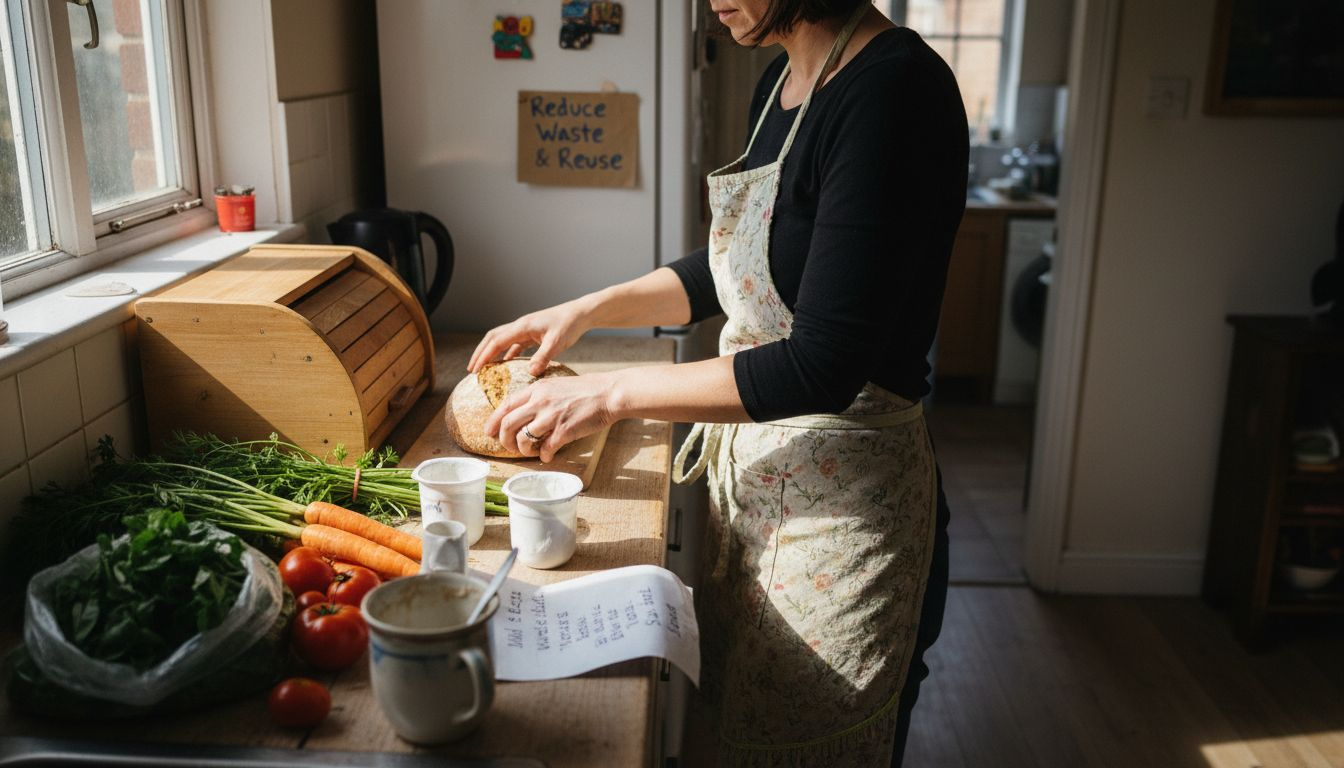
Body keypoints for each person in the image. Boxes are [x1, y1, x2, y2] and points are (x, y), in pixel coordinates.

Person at [470, 0, 966, 763]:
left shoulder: (895, 92)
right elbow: (746, 265)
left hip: (844, 522)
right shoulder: (778, 78)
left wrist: (605, 393)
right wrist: (586, 311)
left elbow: (823, 362)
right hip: (761, 493)